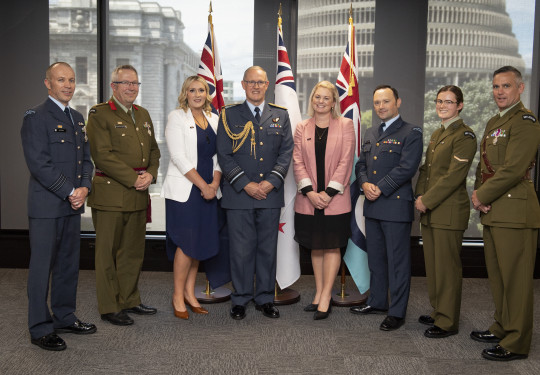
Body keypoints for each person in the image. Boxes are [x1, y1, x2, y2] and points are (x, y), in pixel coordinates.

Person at [21, 62, 96, 351]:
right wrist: (70, 191)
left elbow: (86, 160)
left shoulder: (77, 117)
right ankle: (40, 328)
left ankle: (64, 316)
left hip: (71, 205)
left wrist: (85, 188)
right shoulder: (36, 116)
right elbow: (39, 163)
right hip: (47, 206)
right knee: (42, 268)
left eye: (71, 80)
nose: (67, 85)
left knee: (68, 266)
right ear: (47, 83)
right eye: (61, 79)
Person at [470, 66, 540, 361]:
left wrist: (482, 195)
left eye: (506, 86)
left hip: (515, 211)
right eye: (496, 86)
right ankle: (502, 326)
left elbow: (513, 169)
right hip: (495, 210)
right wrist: (478, 197)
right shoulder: (495, 121)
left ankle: (516, 341)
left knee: (517, 281)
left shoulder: (525, 121)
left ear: (520, 88)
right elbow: (484, 167)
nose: (500, 91)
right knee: (498, 277)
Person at [216, 66, 293, 320]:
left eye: (260, 82)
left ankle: (264, 298)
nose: (256, 86)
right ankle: (240, 299)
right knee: (240, 250)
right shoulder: (229, 115)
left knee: (267, 249)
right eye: (251, 82)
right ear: (243, 84)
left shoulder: (280, 115)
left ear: (267, 84)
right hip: (239, 194)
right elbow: (224, 156)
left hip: (270, 194)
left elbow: (286, 153)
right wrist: (247, 185)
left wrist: (270, 183)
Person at [86, 65, 161, 326]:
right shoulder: (99, 114)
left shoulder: (143, 114)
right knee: (107, 253)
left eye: (135, 84)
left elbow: (154, 151)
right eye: (125, 83)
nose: (131, 88)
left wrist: (150, 175)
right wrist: (134, 179)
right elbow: (102, 155)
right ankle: (109, 306)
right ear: (113, 86)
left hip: (139, 194)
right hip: (111, 195)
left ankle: (130, 299)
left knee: (132, 252)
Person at [350, 85, 423, 331]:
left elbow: (407, 168)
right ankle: (378, 301)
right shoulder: (371, 132)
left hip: (394, 207)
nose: (381, 106)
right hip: (372, 206)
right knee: (377, 260)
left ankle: (397, 311)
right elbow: (361, 164)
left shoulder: (411, 132)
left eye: (386, 101)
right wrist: (364, 183)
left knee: (397, 262)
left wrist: (379, 187)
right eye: (377, 102)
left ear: (398, 102)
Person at [414, 85, 477, 338]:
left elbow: (453, 177)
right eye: (439, 101)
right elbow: (426, 170)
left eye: (448, 102)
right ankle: (439, 309)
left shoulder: (464, 136)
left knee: (448, 268)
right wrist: (419, 195)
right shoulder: (438, 133)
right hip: (430, 210)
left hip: (448, 211)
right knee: (434, 265)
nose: (442, 105)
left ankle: (447, 321)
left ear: (459, 105)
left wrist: (426, 200)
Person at [293, 81, 355, 320]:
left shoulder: (345, 125)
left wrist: (327, 194)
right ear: (312, 99)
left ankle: (326, 296)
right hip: (308, 199)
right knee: (315, 246)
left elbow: (346, 161)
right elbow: (297, 161)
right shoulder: (302, 127)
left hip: (335, 200)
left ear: (333, 102)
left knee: (331, 245)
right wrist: (310, 193)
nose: (320, 101)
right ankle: (319, 293)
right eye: (317, 97)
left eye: (326, 98)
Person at [161, 76, 221, 319]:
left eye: (202, 90)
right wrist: (203, 186)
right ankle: (177, 295)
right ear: (185, 93)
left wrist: (214, 184)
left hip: (209, 186)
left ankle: (189, 292)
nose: (197, 94)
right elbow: (178, 157)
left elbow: (220, 156)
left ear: (207, 93)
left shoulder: (214, 119)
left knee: (198, 243)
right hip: (186, 190)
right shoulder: (176, 117)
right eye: (192, 90)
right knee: (186, 244)